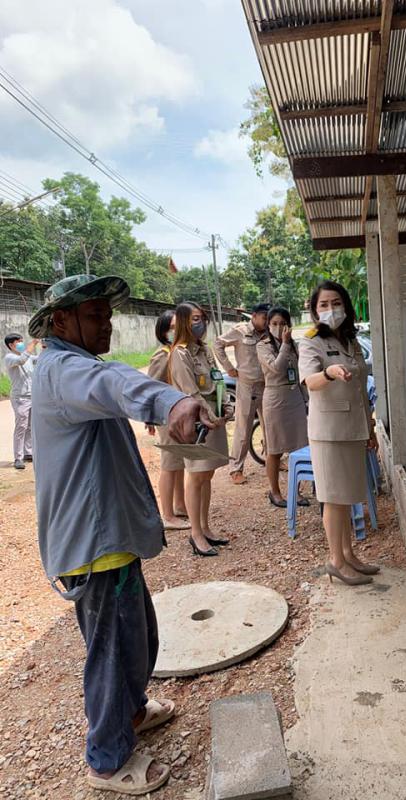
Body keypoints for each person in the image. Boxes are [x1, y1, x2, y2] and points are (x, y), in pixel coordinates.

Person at [28, 274, 213, 795]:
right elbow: (113, 384)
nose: (107, 324)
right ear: (61, 321)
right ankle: (107, 760)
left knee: (137, 638)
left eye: (108, 315)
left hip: (108, 538)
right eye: (95, 315)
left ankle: (131, 714)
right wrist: (171, 403)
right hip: (95, 544)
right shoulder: (64, 370)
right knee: (113, 653)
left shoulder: (75, 365)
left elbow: (111, 381)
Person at [298, 280, 379, 587]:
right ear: (314, 310)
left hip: (353, 427)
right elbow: (310, 381)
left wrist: (369, 427)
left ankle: (348, 554)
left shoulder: (350, 340)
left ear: (345, 306)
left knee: (346, 497)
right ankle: (335, 561)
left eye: (336, 303)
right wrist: (329, 373)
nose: (330, 309)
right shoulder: (310, 341)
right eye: (323, 304)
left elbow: (360, 390)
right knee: (333, 498)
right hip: (329, 432)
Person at [169, 301, 233, 556]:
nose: (201, 323)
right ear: (184, 322)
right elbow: (190, 392)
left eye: (203, 318)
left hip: (214, 419)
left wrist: (226, 404)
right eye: (195, 318)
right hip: (196, 423)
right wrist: (210, 415)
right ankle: (195, 534)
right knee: (196, 476)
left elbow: (217, 380)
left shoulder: (204, 349)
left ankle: (205, 528)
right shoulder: (180, 354)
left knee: (207, 475)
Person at [257, 306, 309, 507]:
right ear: (268, 325)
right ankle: (275, 492)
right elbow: (277, 368)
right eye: (274, 323)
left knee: (298, 447)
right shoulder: (263, 346)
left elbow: (298, 373)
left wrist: (306, 399)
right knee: (275, 449)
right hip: (275, 401)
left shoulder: (294, 345)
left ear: (289, 325)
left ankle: (296, 491)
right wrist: (285, 344)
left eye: (282, 323)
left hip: (294, 398)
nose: (278, 327)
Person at [214, 302, 269, 484]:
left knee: (271, 426)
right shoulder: (240, 331)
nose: (267, 321)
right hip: (247, 386)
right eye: (264, 318)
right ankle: (236, 469)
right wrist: (229, 368)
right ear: (254, 316)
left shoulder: (268, 332)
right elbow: (218, 343)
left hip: (267, 385)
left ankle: (272, 459)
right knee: (243, 429)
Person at [146, 310, 190, 531]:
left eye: (178, 326)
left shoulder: (178, 351)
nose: (175, 331)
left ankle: (180, 505)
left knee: (178, 462)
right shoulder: (163, 355)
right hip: (167, 416)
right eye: (171, 328)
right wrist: (150, 418)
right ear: (163, 331)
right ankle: (168, 515)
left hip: (179, 415)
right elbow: (151, 388)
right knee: (169, 465)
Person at [4, 332, 38, 469]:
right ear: (11, 345)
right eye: (18, 341)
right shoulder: (10, 357)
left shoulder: (27, 357)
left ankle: (28, 452)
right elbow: (22, 360)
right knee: (21, 427)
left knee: (30, 426)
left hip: (31, 396)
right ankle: (18, 457)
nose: (21, 343)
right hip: (20, 398)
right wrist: (32, 344)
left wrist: (46, 346)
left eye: (22, 341)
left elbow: (40, 359)